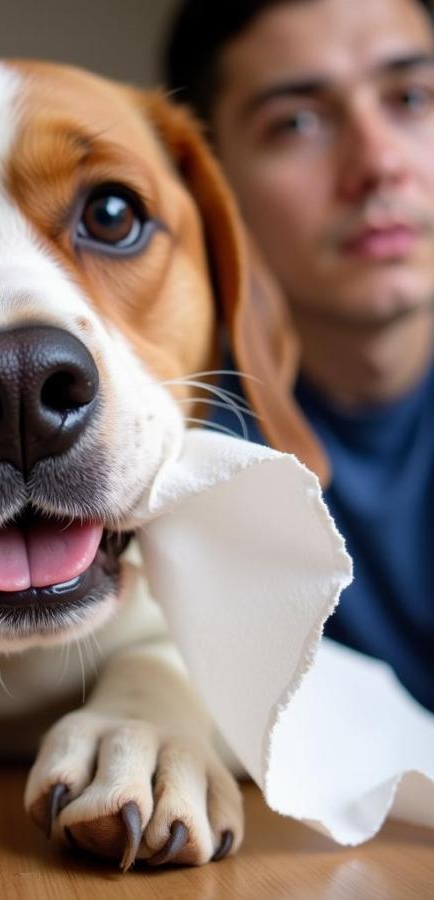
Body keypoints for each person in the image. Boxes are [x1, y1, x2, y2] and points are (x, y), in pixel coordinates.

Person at [163, 0, 434, 711]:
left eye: (410, 99)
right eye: (297, 124)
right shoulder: (177, 446)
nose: (378, 164)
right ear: (212, 190)